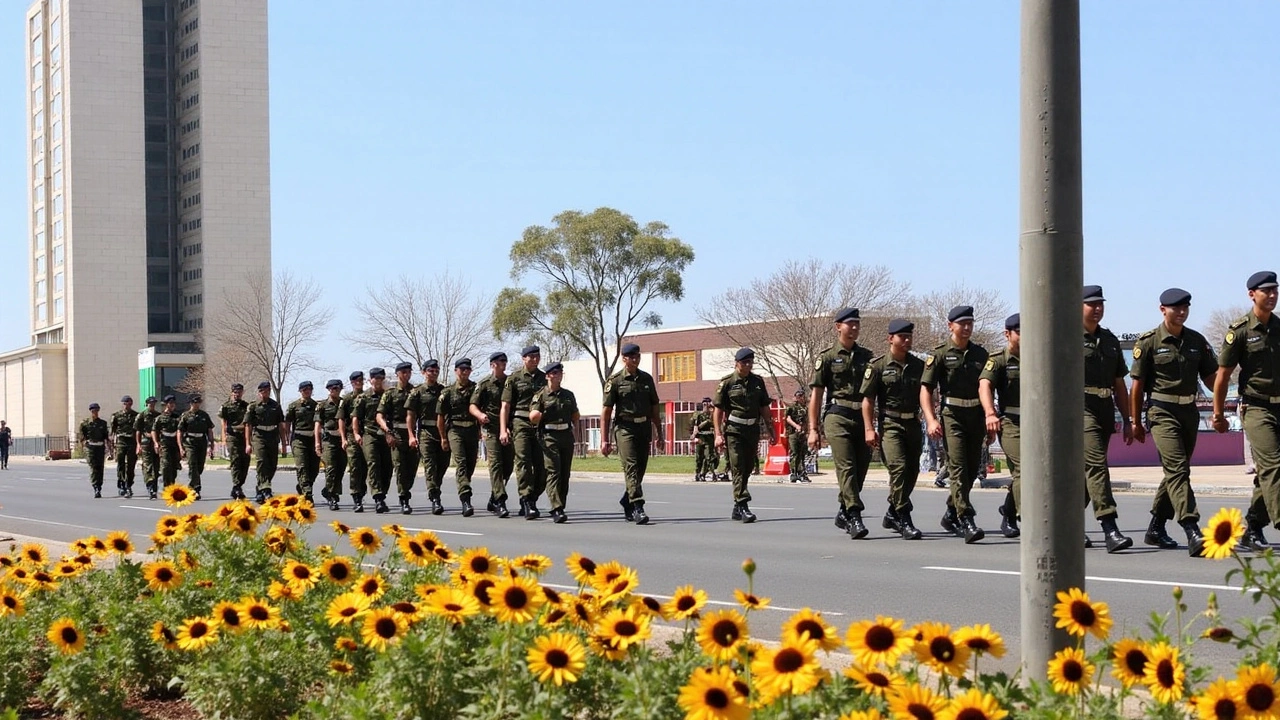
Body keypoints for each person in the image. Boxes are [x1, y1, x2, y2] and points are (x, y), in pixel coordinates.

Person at [1129, 288, 1218, 557]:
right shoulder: (1148, 342)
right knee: (1178, 469)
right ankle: (1191, 528)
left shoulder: (1196, 340)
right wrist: (1135, 421)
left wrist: (1220, 406)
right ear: (1162, 310)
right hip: (1161, 411)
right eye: (1175, 308)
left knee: (1176, 471)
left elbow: (1212, 379)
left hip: (1189, 411)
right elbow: (1137, 386)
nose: (1181, 312)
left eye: (1185, 308)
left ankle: (1155, 528)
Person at [1212, 270, 1280, 552]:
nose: (1273, 295)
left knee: (1266, 472)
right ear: (1252, 294)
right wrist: (1217, 415)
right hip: (1255, 407)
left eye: (1276, 290)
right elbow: (1222, 376)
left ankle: (1252, 526)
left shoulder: (1279, 327)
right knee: (1274, 465)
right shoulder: (1239, 331)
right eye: (1267, 291)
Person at [921, 305, 989, 544]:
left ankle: (951, 512)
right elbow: (926, 390)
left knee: (971, 470)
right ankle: (965, 518)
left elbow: (987, 388)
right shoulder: (939, 354)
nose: (967, 328)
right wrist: (930, 419)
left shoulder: (981, 354)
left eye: (970, 323)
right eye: (962, 323)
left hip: (976, 415)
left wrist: (991, 416)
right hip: (952, 416)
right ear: (951, 326)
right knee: (958, 467)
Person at [809, 307, 876, 537]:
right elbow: (816, 396)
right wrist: (813, 429)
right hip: (837, 415)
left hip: (862, 416)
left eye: (857, 323)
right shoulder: (827, 357)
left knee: (860, 469)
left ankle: (843, 510)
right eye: (850, 324)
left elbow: (874, 392)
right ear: (838, 326)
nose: (855, 328)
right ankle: (855, 515)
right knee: (846, 467)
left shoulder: (868, 357)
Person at [1081, 285, 1135, 553]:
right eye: (1092, 304)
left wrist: (1128, 419)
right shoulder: (1066, 338)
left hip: (1103, 408)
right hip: (1078, 409)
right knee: (1097, 466)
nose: (1098, 308)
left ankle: (1067, 523)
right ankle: (1109, 527)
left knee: (1088, 474)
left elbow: (1119, 384)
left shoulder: (1111, 340)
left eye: (1101, 303)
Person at [860, 318, 925, 540]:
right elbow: (868, 400)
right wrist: (869, 428)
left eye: (909, 336)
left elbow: (926, 394)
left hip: (913, 423)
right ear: (891, 339)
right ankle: (902, 516)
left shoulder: (918, 365)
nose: (907, 340)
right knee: (898, 467)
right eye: (902, 337)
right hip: (890, 424)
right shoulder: (877, 366)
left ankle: (891, 511)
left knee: (912, 471)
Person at [602, 342, 662, 525]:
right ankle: (638, 506)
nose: (636, 359)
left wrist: (660, 433)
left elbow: (654, 408)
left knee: (641, 468)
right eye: (632, 357)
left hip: (643, 427)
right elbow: (605, 411)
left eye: (638, 356)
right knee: (631, 466)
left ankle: (626, 500)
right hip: (624, 428)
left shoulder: (646, 379)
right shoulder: (615, 381)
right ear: (624, 359)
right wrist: (604, 440)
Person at [714, 347, 775, 523]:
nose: (747, 366)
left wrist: (771, 430)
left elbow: (764, 407)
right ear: (736, 363)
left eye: (750, 362)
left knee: (748, 467)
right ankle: (743, 504)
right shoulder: (727, 383)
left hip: (752, 429)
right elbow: (717, 411)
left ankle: (736, 507)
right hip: (734, 430)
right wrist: (718, 434)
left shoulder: (757, 381)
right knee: (738, 466)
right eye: (744, 363)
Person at [979, 313, 1022, 539]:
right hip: (1011, 422)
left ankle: (1008, 511)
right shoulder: (999, 359)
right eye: (1019, 331)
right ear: (1008, 334)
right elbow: (985, 385)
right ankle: (1036, 519)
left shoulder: (1039, 356)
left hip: (1037, 423)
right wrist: (990, 414)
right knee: (1024, 472)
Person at [501, 345, 548, 518]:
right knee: (523, 463)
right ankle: (527, 499)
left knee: (543, 467)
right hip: (520, 422)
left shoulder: (545, 377)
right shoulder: (514, 378)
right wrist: (503, 429)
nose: (535, 359)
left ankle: (533, 496)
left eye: (537, 356)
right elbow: (505, 406)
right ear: (524, 358)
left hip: (540, 425)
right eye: (531, 356)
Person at [530, 362, 580, 523]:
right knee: (553, 472)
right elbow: (533, 416)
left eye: (559, 373)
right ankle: (556, 508)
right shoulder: (541, 395)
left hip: (565, 434)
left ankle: (561, 506)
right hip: (549, 435)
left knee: (565, 473)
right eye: (553, 373)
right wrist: (539, 414)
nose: (557, 375)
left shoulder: (568, 395)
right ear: (547, 376)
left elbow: (575, 415)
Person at [470, 352, 514, 515]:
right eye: (500, 361)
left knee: (508, 466)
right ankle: (500, 501)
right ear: (492, 364)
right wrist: (480, 415)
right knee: (496, 464)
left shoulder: (510, 382)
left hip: (507, 429)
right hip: (490, 429)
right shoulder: (484, 384)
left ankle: (493, 498)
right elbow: (472, 406)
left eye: (505, 360)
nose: (503, 363)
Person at [407, 360, 451, 515]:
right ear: (424, 372)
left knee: (443, 465)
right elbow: (411, 415)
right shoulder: (417, 392)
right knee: (430, 466)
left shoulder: (444, 391)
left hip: (443, 432)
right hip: (426, 432)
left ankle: (435, 489)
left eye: (436, 371)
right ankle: (435, 498)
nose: (434, 373)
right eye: (431, 370)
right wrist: (411, 435)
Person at [439, 358, 482, 515]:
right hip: (455, 430)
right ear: (456, 371)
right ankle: (465, 499)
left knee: (470, 464)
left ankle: (465, 485)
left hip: (471, 430)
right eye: (462, 369)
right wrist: (443, 437)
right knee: (461, 463)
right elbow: (441, 417)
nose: (465, 372)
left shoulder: (476, 389)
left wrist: (479, 430)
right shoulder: (448, 392)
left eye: (468, 369)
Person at [378, 362, 419, 515]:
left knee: (411, 469)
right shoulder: (390, 394)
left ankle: (406, 490)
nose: (407, 374)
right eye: (404, 372)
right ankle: (404, 500)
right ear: (397, 374)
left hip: (413, 434)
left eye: (409, 372)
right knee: (400, 468)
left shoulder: (415, 392)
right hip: (396, 434)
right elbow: (379, 416)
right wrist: (387, 432)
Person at [353, 368, 392, 513]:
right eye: (375, 378)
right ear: (370, 380)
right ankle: (378, 498)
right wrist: (356, 434)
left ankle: (382, 492)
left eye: (381, 378)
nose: (378, 380)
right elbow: (356, 417)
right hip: (369, 434)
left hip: (386, 435)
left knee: (387, 466)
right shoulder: (363, 397)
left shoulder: (388, 395)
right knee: (373, 463)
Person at [244, 381, 286, 504]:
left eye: (267, 391)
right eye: (263, 391)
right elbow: (248, 425)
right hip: (259, 436)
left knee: (272, 465)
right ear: (259, 392)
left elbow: (280, 425)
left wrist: (284, 443)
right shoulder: (253, 406)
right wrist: (248, 443)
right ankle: (266, 489)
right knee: (262, 461)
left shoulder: (275, 406)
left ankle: (260, 487)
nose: (265, 393)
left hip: (272, 436)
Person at [286, 381, 321, 503]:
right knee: (302, 466)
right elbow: (288, 423)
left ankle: (303, 485)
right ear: (300, 391)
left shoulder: (317, 406)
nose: (307, 391)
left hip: (312, 439)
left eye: (309, 389)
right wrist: (286, 439)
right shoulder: (293, 406)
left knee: (314, 468)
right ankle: (307, 494)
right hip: (299, 439)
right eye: (304, 389)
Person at [316, 379, 347, 511]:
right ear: (328, 390)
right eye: (332, 388)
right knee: (331, 468)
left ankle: (329, 490)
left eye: (337, 388)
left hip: (342, 439)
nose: (335, 391)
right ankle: (332, 496)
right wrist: (317, 443)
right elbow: (317, 424)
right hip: (328, 440)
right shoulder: (322, 405)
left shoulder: (344, 403)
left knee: (341, 467)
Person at [340, 371, 368, 512]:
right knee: (355, 467)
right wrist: (343, 438)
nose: (359, 382)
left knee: (365, 468)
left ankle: (361, 492)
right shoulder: (346, 399)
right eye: (356, 380)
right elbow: (341, 419)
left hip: (367, 435)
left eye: (361, 380)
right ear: (352, 382)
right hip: (352, 435)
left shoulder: (368, 396)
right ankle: (356, 497)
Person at [178, 395, 215, 500]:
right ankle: (196, 489)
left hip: (201, 442)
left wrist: (211, 445)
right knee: (192, 464)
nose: (197, 404)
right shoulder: (185, 416)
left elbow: (209, 430)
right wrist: (181, 447)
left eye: (198, 402)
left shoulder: (204, 415)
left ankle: (191, 486)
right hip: (190, 442)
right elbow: (180, 431)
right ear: (191, 403)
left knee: (200, 467)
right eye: (195, 403)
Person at [219, 384, 250, 500]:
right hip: (232, 436)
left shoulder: (246, 406)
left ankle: (237, 486)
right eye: (236, 392)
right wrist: (224, 438)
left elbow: (248, 423)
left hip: (244, 436)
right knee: (236, 461)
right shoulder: (226, 406)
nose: (238, 394)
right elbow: (223, 423)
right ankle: (237, 486)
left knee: (245, 462)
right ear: (232, 392)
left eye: (240, 392)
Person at [78, 402, 112, 498]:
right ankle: (95, 486)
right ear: (90, 411)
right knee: (93, 467)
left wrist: (109, 449)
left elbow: (106, 437)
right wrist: (83, 447)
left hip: (100, 447)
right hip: (90, 447)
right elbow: (82, 437)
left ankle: (99, 486)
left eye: (97, 410)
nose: (95, 412)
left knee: (100, 467)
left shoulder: (103, 423)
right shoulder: (85, 423)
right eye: (93, 411)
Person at [109, 396, 139, 498]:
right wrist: (112, 445)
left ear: (131, 404)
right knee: (121, 465)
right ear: (122, 404)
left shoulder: (136, 415)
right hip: (121, 442)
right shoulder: (116, 416)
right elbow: (113, 431)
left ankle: (129, 485)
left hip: (132, 442)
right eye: (125, 403)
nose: (126, 405)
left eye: (129, 403)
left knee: (131, 465)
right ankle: (121, 485)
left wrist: (139, 444)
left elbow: (138, 430)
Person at [152, 395, 182, 491]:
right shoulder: (160, 418)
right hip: (164, 442)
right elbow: (154, 430)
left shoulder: (178, 417)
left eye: (173, 403)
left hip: (175, 443)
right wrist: (156, 443)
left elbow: (181, 430)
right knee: (165, 465)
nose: (172, 405)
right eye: (170, 403)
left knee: (174, 466)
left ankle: (171, 484)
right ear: (166, 404)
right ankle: (166, 485)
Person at [135, 396, 161, 499]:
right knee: (148, 465)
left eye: (154, 403)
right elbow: (138, 430)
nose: (152, 405)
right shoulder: (142, 415)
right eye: (150, 403)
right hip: (145, 442)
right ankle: (150, 487)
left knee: (156, 465)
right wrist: (138, 444)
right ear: (147, 404)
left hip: (156, 443)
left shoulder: (158, 415)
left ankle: (154, 487)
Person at [690, 397, 720, 482]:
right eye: (704, 403)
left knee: (709, 457)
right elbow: (696, 426)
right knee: (699, 457)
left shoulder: (712, 414)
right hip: (700, 438)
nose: (705, 405)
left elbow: (716, 424)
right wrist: (694, 435)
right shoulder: (698, 415)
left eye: (706, 403)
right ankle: (697, 473)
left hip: (709, 438)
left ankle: (708, 473)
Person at [784, 389, 811, 483]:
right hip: (793, 433)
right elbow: (788, 418)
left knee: (802, 453)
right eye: (800, 396)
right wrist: (796, 426)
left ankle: (802, 473)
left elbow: (806, 420)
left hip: (802, 433)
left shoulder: (805, 408)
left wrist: (807, 431)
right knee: (794, 453)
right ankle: (793, 473)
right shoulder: (792, 407)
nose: (802, 398)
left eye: (802, 396)